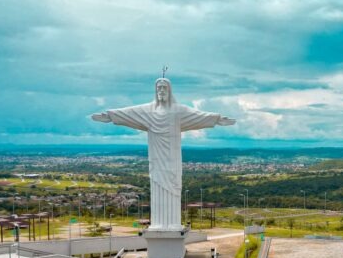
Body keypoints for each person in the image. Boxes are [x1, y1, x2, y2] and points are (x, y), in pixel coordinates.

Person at [91, 78, 235, 229]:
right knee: (157, 187)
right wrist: (109, 116)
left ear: (170, 90)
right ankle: (158, 224)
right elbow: (129, 113)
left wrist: (217, 119)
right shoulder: (148, 111)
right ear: (155, 90)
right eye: (158, 88)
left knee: (173, 187)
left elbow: (199, 115)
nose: (161, 91)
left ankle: (173, 224)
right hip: (156, 158)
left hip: (172, 159)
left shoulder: (179, 111)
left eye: (164, 88)